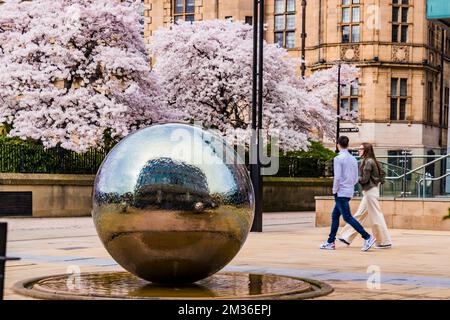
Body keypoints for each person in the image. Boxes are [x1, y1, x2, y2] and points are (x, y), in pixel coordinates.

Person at [320, 136, 376, 251]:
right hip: (349, 191)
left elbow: (337, 177)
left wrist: (334, 190)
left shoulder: (338, 159)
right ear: (347, 144)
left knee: (347, 217)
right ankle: (330, 241)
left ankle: (367, 237)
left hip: (340, 192)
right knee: (335, 216)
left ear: (338, 145)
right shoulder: (353, 159)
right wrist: (349, 186)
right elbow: (355, 178)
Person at [338, 143, 392, 249]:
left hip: (370, 192)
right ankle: (346, 237)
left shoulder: (368, 162)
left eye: (361, 149)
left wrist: (353, 179)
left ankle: (384, 241)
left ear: (366, 150)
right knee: (360, 214)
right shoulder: (372, 160)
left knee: (376, 216)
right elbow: (382, 174)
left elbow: (364, 180)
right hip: (371, 191)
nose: (359, 150)